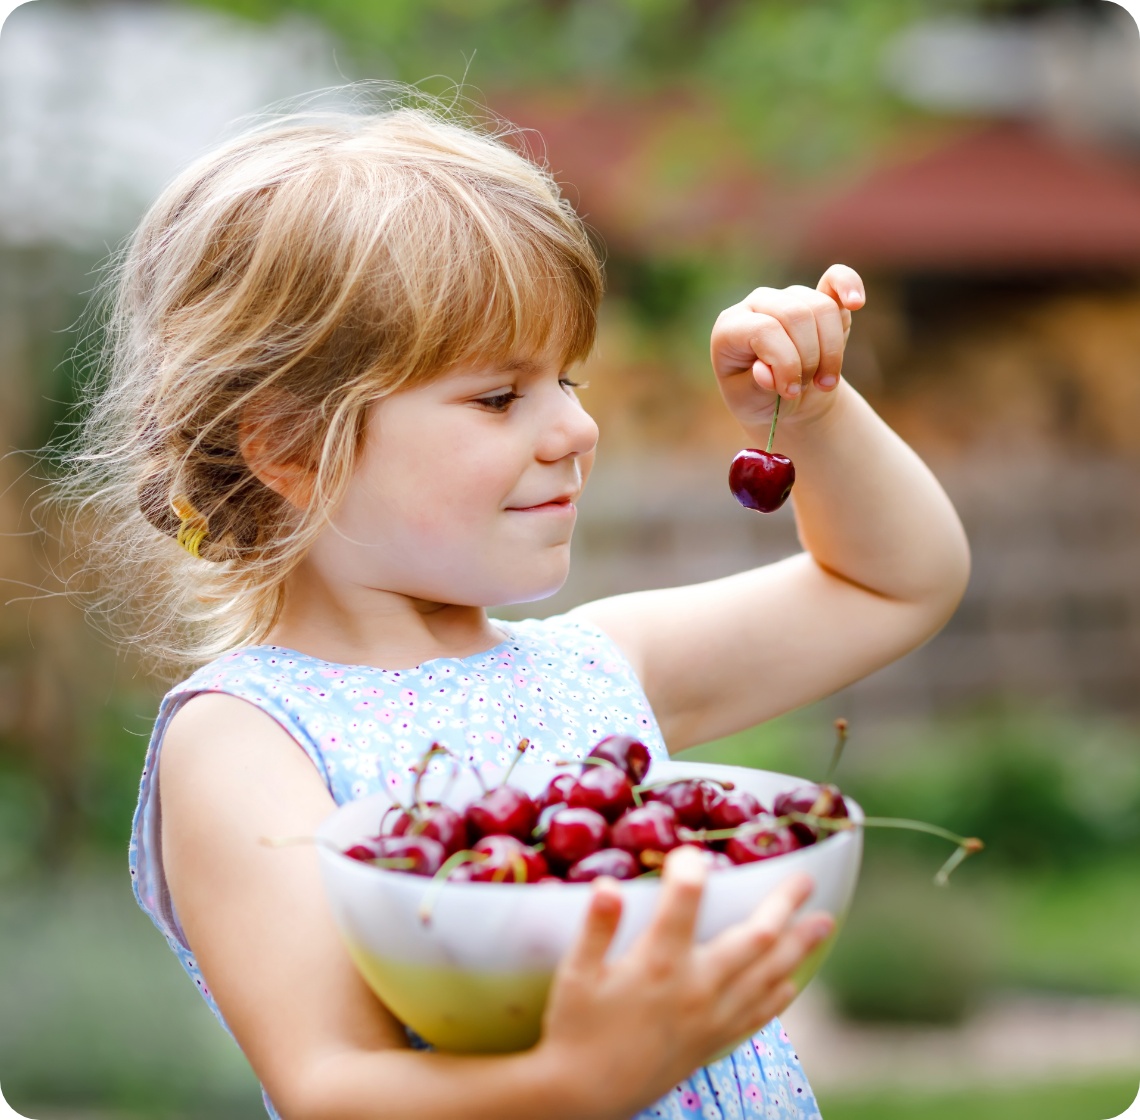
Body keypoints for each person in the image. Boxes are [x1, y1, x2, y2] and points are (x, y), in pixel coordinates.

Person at [61, 91, 970, 1120]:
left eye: (568, 380)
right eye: (500, 396)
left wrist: (814, 414)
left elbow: (895, 583)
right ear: (285, 448)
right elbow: (332, 1083)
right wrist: (585, 1080)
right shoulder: (246, 740)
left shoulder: (594, 665)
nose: (577, 429)